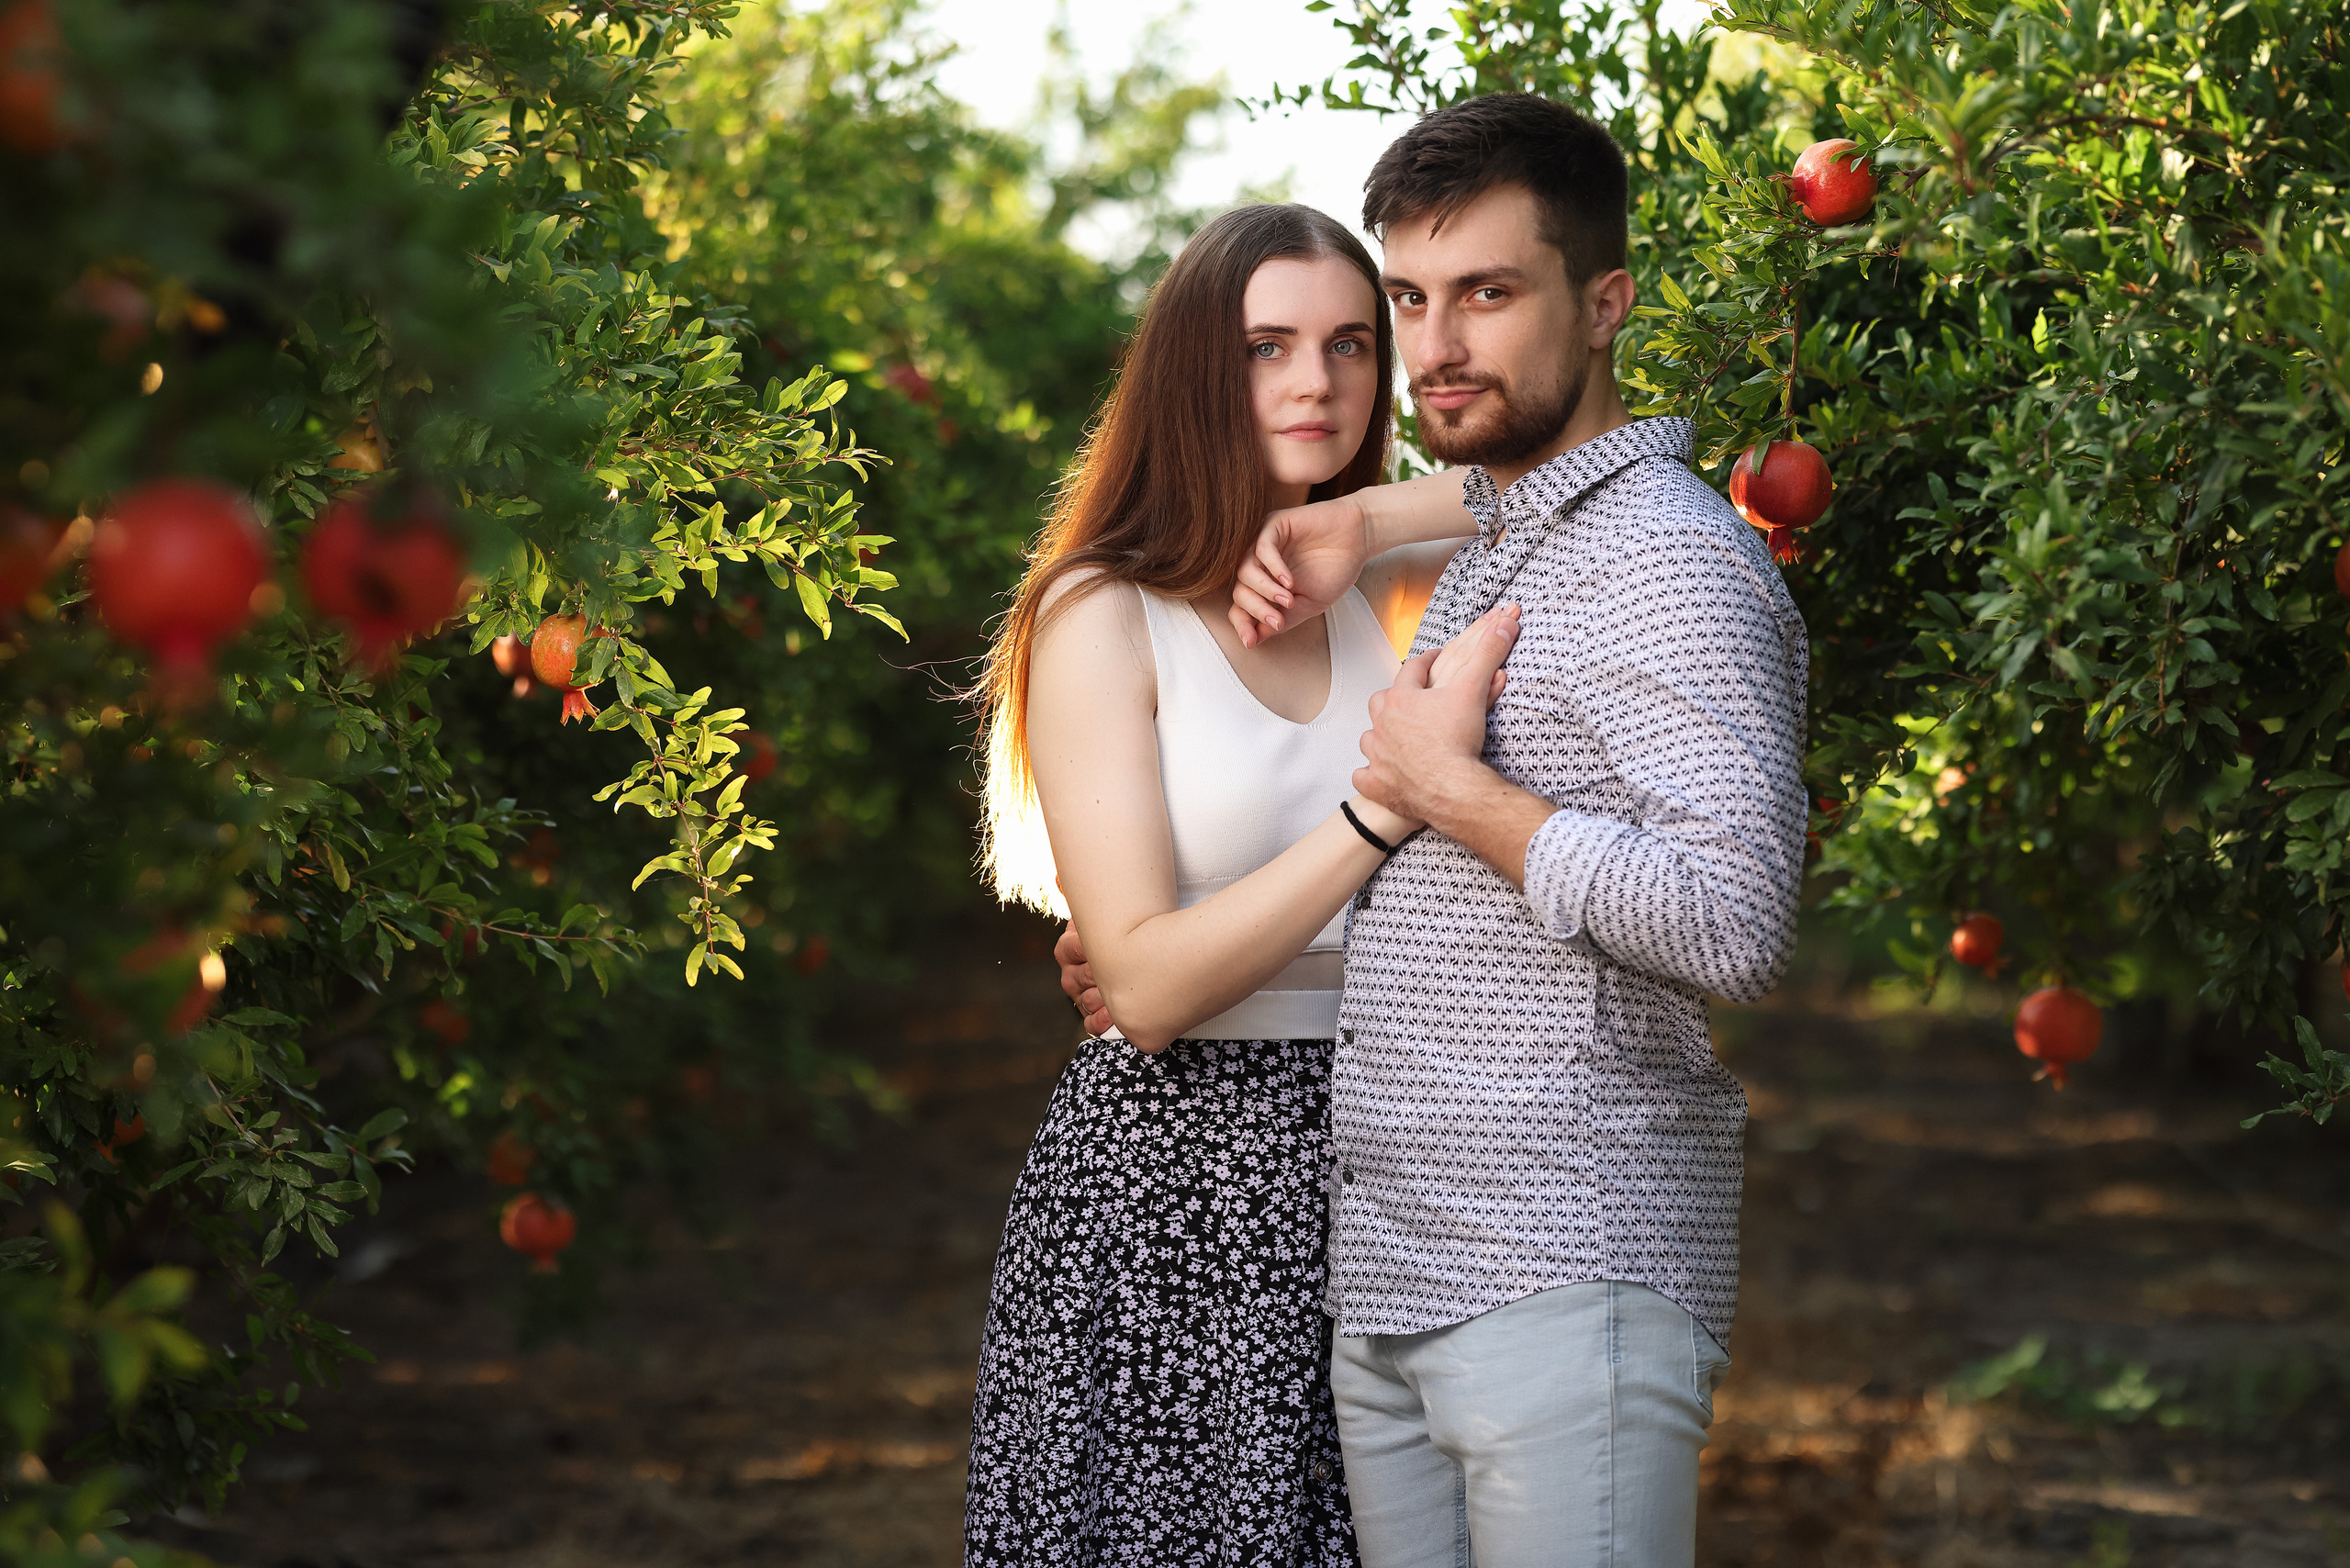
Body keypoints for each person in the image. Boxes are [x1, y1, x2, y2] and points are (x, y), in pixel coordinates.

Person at [1060, 95, 1810, 1567]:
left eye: (1485, 294)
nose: (1430, 349)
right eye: (1413, 300)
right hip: (1376, 1255)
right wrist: (1373, 526)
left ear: (1606, 306)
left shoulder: (1656, 565)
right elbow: (1516, 486)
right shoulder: (1478, 558)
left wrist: (1447, 792)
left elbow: (1734, 920)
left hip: (1556, 1251)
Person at [964, 201, 1520, 1568]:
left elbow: (1617, 463)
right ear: (1198, 370)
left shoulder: (1387, 582)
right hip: (1174, 1200)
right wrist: (1379, 808)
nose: (1316, 382)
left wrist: (1371, 516)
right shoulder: (1104, 612)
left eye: (1349, 342)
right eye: (1267, 344)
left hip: (1394, 1168)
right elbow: (1144, 984)